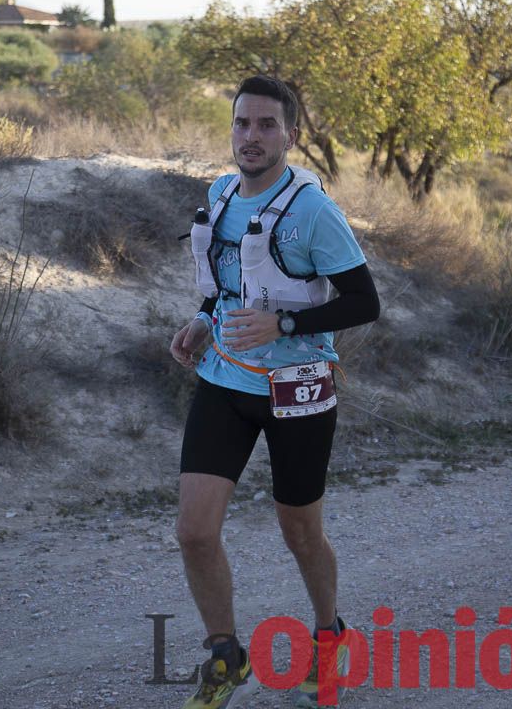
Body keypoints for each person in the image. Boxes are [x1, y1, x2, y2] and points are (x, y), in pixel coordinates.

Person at [169, 75, 380, 709]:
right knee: (194, 532)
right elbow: (226, 286)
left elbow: (364, 302)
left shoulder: (315, 211)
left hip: (299, 388)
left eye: (266, 126)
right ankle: (226, 656)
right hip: (225, 379)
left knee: (300, 532)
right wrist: (203, 321)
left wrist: (285, 324)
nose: (251, 137)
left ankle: (329, 636)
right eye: (241, 124)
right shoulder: (221, 193)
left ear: (291, 134)